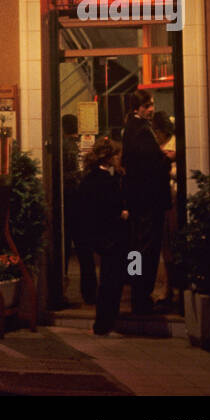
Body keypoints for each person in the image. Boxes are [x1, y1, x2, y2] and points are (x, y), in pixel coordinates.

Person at [122, 89, 171, 314]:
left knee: (136, 247)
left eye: (151, 104)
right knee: (146, 250)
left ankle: (136, 292)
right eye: (147, 105)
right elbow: (150, 166)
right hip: (148, 200)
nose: (151, 109)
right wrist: (166, 159)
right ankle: (141, 296)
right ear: (137, 107)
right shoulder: (141, 130)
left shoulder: (131, 127)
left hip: (137, 199)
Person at [79, 137, 130, 335]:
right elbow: (113, 207)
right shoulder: (107, 182)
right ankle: (105, 321)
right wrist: (123, 214)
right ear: (110, 157)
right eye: (117, 155)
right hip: (111, 236)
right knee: (112, 279)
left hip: (96, 235)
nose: (120, 159)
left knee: (108, 278)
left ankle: (104, 321)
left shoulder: (89, 179)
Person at [62, 114, 97, 304]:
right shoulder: (70, 147)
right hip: (76, 204)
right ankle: (90, 292)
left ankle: (62, 288)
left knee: (65, 249)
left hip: (67, 204)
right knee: (84, 250)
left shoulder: (63, 145)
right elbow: (73, 175)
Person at [151, 110, 178, 307]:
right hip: (161, 201)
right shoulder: (158, 147)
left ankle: (172, 288)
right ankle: (166, 287)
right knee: (164, 246)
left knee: (171, 244)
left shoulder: (174, 145)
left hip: (172, 201)